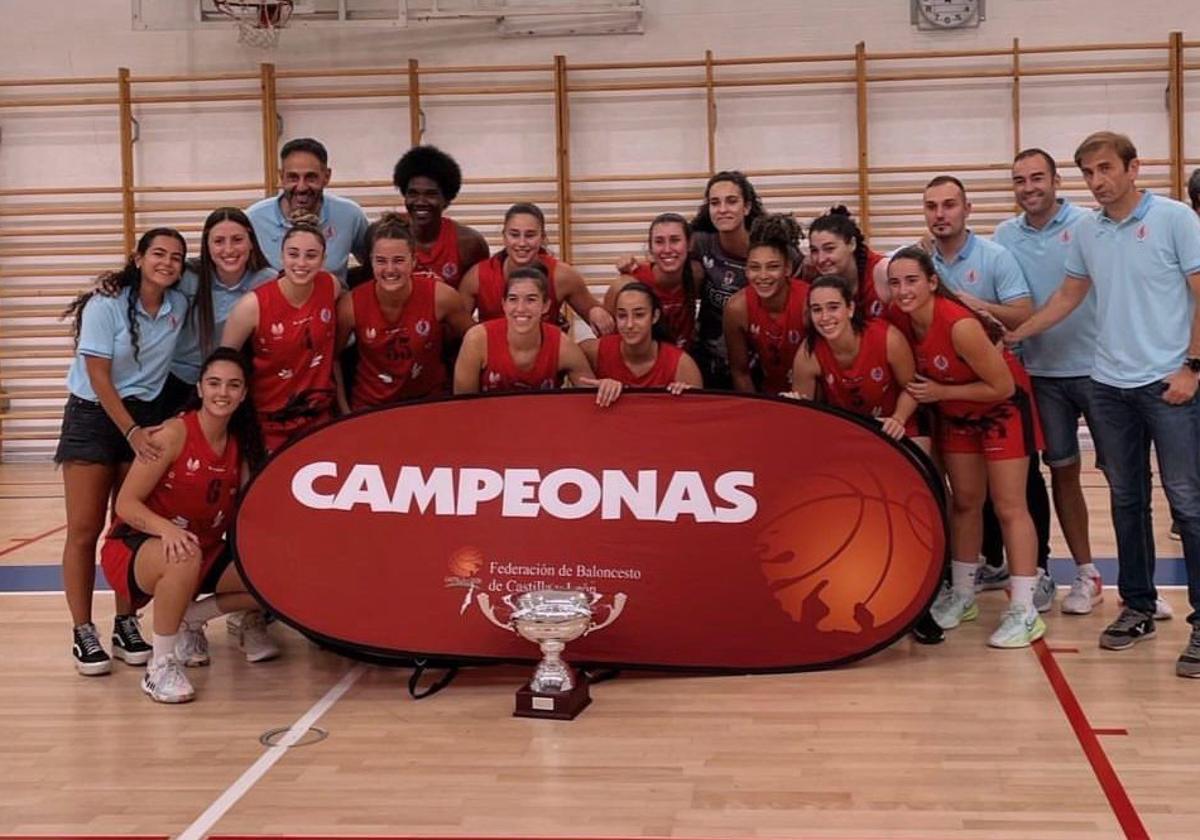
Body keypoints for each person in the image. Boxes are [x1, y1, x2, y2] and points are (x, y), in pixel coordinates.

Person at [1007, 132, 1200, 676]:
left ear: (1134, 168)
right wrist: (1017, 333)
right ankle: (1137, 605)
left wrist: (1192, 366)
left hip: (1170, 385)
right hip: (1109, 385)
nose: (1098, 181)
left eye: (1107, 168)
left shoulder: (1174, 220)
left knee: (1187, 503)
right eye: (1089, 172)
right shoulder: (1087, 231)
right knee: (1126, 498)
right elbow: (1069, 296)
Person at [888, 246, 1046, 649]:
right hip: (958, 411)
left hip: (1001, 408)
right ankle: (963, 594)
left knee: (1009, 505)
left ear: (932, 282)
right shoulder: (899, 321)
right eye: (895, 282)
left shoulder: (958, 325)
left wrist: (940, 390)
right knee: (964, 502)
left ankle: (1024, 609)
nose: (903, 290)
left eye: (911, 280)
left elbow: (1003, 386)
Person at [101, 348, 274, 703]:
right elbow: (125, 503)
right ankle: (160, 666)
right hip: (138, 545)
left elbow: (250, 513)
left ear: (243, 394)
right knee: (183, 554)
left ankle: (189, 619)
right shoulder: (172, 434)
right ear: (199, 387)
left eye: (232, 385)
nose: (222, 392)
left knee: (270, 577)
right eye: (214, 383)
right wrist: (166, 529)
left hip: (203, 549)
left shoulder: (242, 445)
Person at [57, 228, 188, 675]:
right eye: (158, 254)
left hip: (145, 416)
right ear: (138, 257)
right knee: (85, 528)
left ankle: (125, 622)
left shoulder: (179, 305)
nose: (166, 263)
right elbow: (98, 377)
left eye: (175, 257)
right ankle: (82, 630)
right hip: (95, 415)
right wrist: (131, 432)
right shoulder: (106, 304)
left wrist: (145, 427)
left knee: (127, 525)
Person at [923, 174, 1053, 606]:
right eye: (932, 207)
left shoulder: (996, 256)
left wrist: (974, 305)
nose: (940, 214)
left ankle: (1035, 583)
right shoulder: (922, 265)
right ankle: (967, 588)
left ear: (966, 209)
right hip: (954, 397)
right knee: (966, 499)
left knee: (1016, 497)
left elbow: (1021, 314)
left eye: (949, 205)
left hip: (1001, 394)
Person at [994, 149, 1107, 616]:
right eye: (1020, 180)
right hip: (1042, 375)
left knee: (1124, 480)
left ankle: (1137, 585)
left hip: (1102, 371)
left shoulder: (1090, 225)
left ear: (1057, 180)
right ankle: (1082, 572)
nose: (1029, 187)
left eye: (1037, 177)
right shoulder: (1003, 236)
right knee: (1061, 473)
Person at [334, 212, 474, 411]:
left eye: (399, 260)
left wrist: (464, 396)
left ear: (414, 261)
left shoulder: (441, 297)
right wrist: (344, 410)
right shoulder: (350, 306)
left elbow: (476, 341)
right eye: (381, 261)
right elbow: (332, 357)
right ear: (371, 262)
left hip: (429, 403)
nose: (390, 269)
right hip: (370, 408)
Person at [221, 220, 338, 452]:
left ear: (323, 260)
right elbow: (224, 363)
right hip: (270, 421)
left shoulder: (330, 286)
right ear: (282, 256)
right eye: (293, 254)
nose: (301, 263)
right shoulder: (251, 306)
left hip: (319, 418)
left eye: (311, 255)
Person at [160, 208, 277, 415]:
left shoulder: (267, 280)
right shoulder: (187, 275)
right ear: (207, 245)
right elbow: (143, 283)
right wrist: (115, 284)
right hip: (179, 379)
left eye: (237, 239)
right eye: (219, 241)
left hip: (229, 382)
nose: (229, 249)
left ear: (251, 241)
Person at [790, 274, 923, 445]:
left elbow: (912, 388)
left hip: (896, 426)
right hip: (845, 432)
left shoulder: (887, 338)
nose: (824, 317)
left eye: (833, 307)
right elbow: (805, 411)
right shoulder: (808, 353)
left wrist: (898, 419)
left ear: (850, 308)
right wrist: (794, 402)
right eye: (817, 309)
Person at [454, 266, 616, 403]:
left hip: (543, 429)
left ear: (545, 306)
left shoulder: (562, 345)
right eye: (513, 299)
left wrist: (607, 386)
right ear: (503, 304)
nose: (521, 308)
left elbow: (589, 397)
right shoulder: (477, 340)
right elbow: (462, 408)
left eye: (531, 299)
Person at [457, 203, 614, 336]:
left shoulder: (562, 276)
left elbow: (600, 320)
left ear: (542, 238)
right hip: (492, 362)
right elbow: (456, 333)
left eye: (530, 235)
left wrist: (595, 311)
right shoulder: (476, 277)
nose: (522, 243)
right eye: (514, 235)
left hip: (546, 360)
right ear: (504, 236)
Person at [247, 137, 369, 284]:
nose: (301, 187)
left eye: (311, 177)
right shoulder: (254, 219)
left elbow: (373, 265)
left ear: (326, 176)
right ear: (281, 178)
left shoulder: (350, 216)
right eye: (293, 177)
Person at [690, 171, 766, 387]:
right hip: (708, 355)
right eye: (715, 203)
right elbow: (665, 252)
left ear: (747, 207)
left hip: (758, 358)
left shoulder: (768, 249)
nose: (722, 209)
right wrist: (632, 263)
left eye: (731, 201)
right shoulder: (701, 242)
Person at [723, 214, 810, 394]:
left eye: (772, 267)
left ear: (788, 268)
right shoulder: (737, 308)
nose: (763, 276)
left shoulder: (808, 302)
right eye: (755, 267)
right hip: (769, 396)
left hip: (812, 396)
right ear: (746, 270)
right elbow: (740, 372)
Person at [391, 145, 489, 289]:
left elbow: (476, 298)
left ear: (447, 199)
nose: (420, 202)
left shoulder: (469, 244)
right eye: (413, 193)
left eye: (430, 194)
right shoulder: (385, 237)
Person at [604, 213, 700, 350]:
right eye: (659, 241)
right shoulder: (627, 284)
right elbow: (607, 340)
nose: (667, 249)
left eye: (675, 240)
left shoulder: (697, 276)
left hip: (681, 360)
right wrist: (595, 310)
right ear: (650, 248)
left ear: (689, 244)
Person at [584, 282, 703, 393]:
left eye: (639, 315)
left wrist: (684, 399)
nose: (629, 324)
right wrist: (598, 389)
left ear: (655, 316)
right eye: (622, 316)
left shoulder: (681, 365)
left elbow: (699, 412)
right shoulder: (594, 352)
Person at [806, 206, 889, 319]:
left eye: (829, 249)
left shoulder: (882, 272)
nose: (821, 259)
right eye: (814, 250)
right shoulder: (811, 274)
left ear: (851, 244)